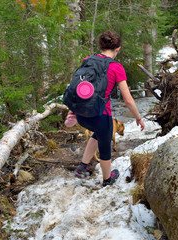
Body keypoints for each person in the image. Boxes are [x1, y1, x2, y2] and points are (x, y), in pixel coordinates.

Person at [72, 30, 145, 187]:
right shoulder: (116, 67)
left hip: (81, 114)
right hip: (100, 115)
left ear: (100, 46)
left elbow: (79, 86)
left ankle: (82, 167)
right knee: (105, 146)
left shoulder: (87, 60)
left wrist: (72, 111)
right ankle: (107, 179)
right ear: (117, 49)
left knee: (97, 135)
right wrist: (138, 117)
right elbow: (128, 99)